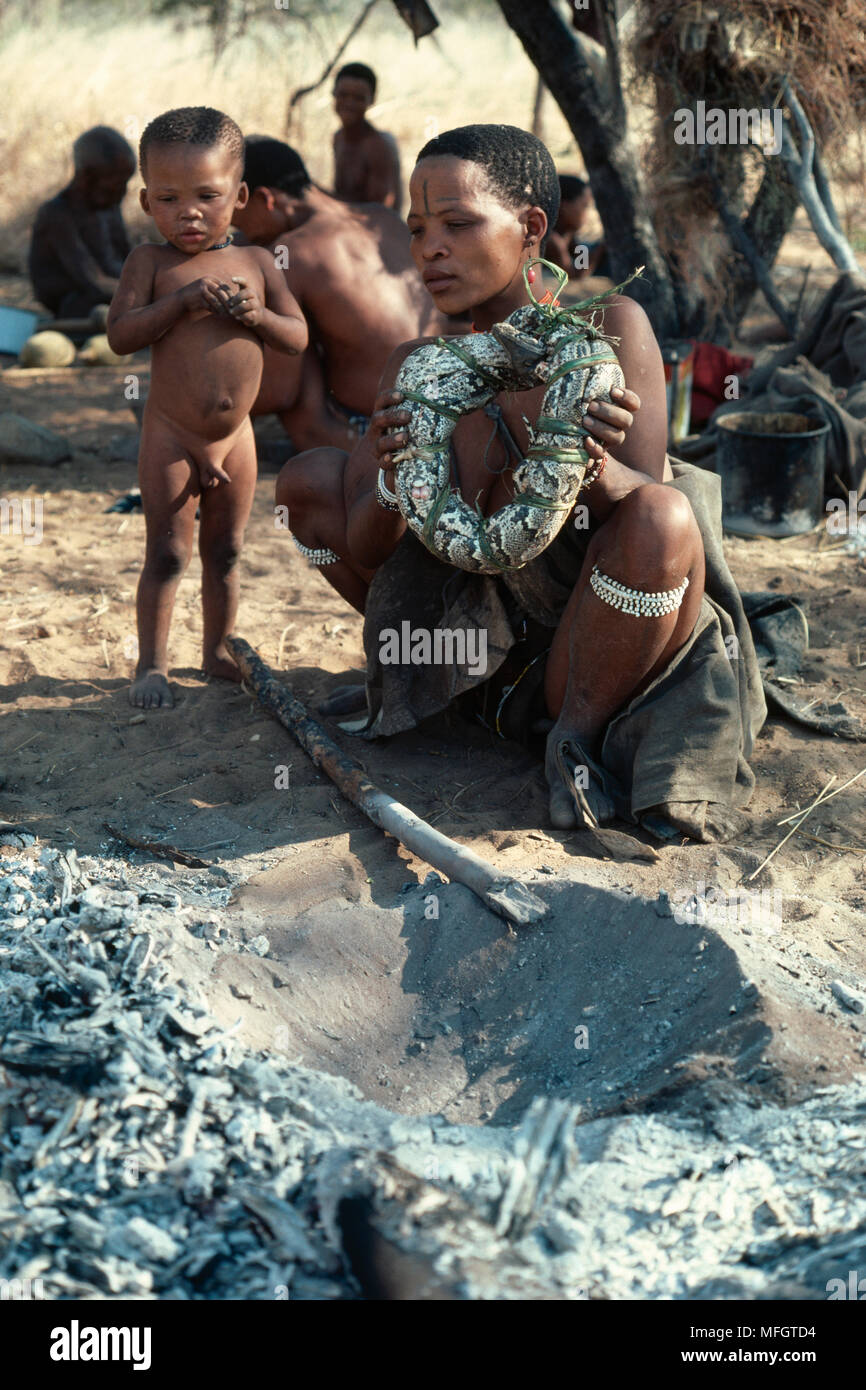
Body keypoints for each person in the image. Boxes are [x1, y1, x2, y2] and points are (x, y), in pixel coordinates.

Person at [275, 124, 765, 843]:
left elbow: (639, 518)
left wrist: (592, 461)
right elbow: (368, 551)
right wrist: (389, 478)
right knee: (306, 481)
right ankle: (425, 683)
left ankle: (574, 738)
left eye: (458, 223)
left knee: (664, 517)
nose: (429, 249)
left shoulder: (607, 331)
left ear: (532, 226)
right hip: (463, 638)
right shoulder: (418, 364)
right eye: (417, 230)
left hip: (589, 641)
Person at [106, 107, 307, 710]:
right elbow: (120, 335)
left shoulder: (259, 264)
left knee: (226, 551)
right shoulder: (151, 263)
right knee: (167, 552)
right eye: (167, 198)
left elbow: (295, 336)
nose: (186, 211)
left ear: (240, 196)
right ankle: (152, 664)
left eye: (206, 195)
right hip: (171, 434)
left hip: (236, 437)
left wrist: (256, 316)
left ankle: (218, 650)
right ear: (145, 201)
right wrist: (184, 301)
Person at [234, 136, 448, 453]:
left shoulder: (290, 252)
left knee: (288, 338)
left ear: (266, 199)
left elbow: (278, 393)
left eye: (241, 221)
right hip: (444, 416)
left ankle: (346, 457)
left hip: (379, 434)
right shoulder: (381, 217)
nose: (244, 234)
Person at [29, 126, 136, 318]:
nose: (123, 191)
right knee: (86, 306)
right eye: (116, 182)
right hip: (77, 300)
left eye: (125, 182)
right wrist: (144, 295)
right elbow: (91, 280)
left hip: (115, 293)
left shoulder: (109, 206)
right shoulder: (57, 214)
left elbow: (129, 260)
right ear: (86, 177)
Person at [332, 62, 402, 211]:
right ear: (333, 94)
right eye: (343, 95)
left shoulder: (377, 147)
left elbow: (379, 211)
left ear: (371, 100)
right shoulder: (338, 138)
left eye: (358, 98)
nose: (349, 103)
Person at [545, 174, 610, 280]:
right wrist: (600, 249)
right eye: (584, 206)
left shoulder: (568, 233)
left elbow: (581, 260)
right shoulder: (553, 241)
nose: (588, 214)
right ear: (564, 206)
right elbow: (575, 276)